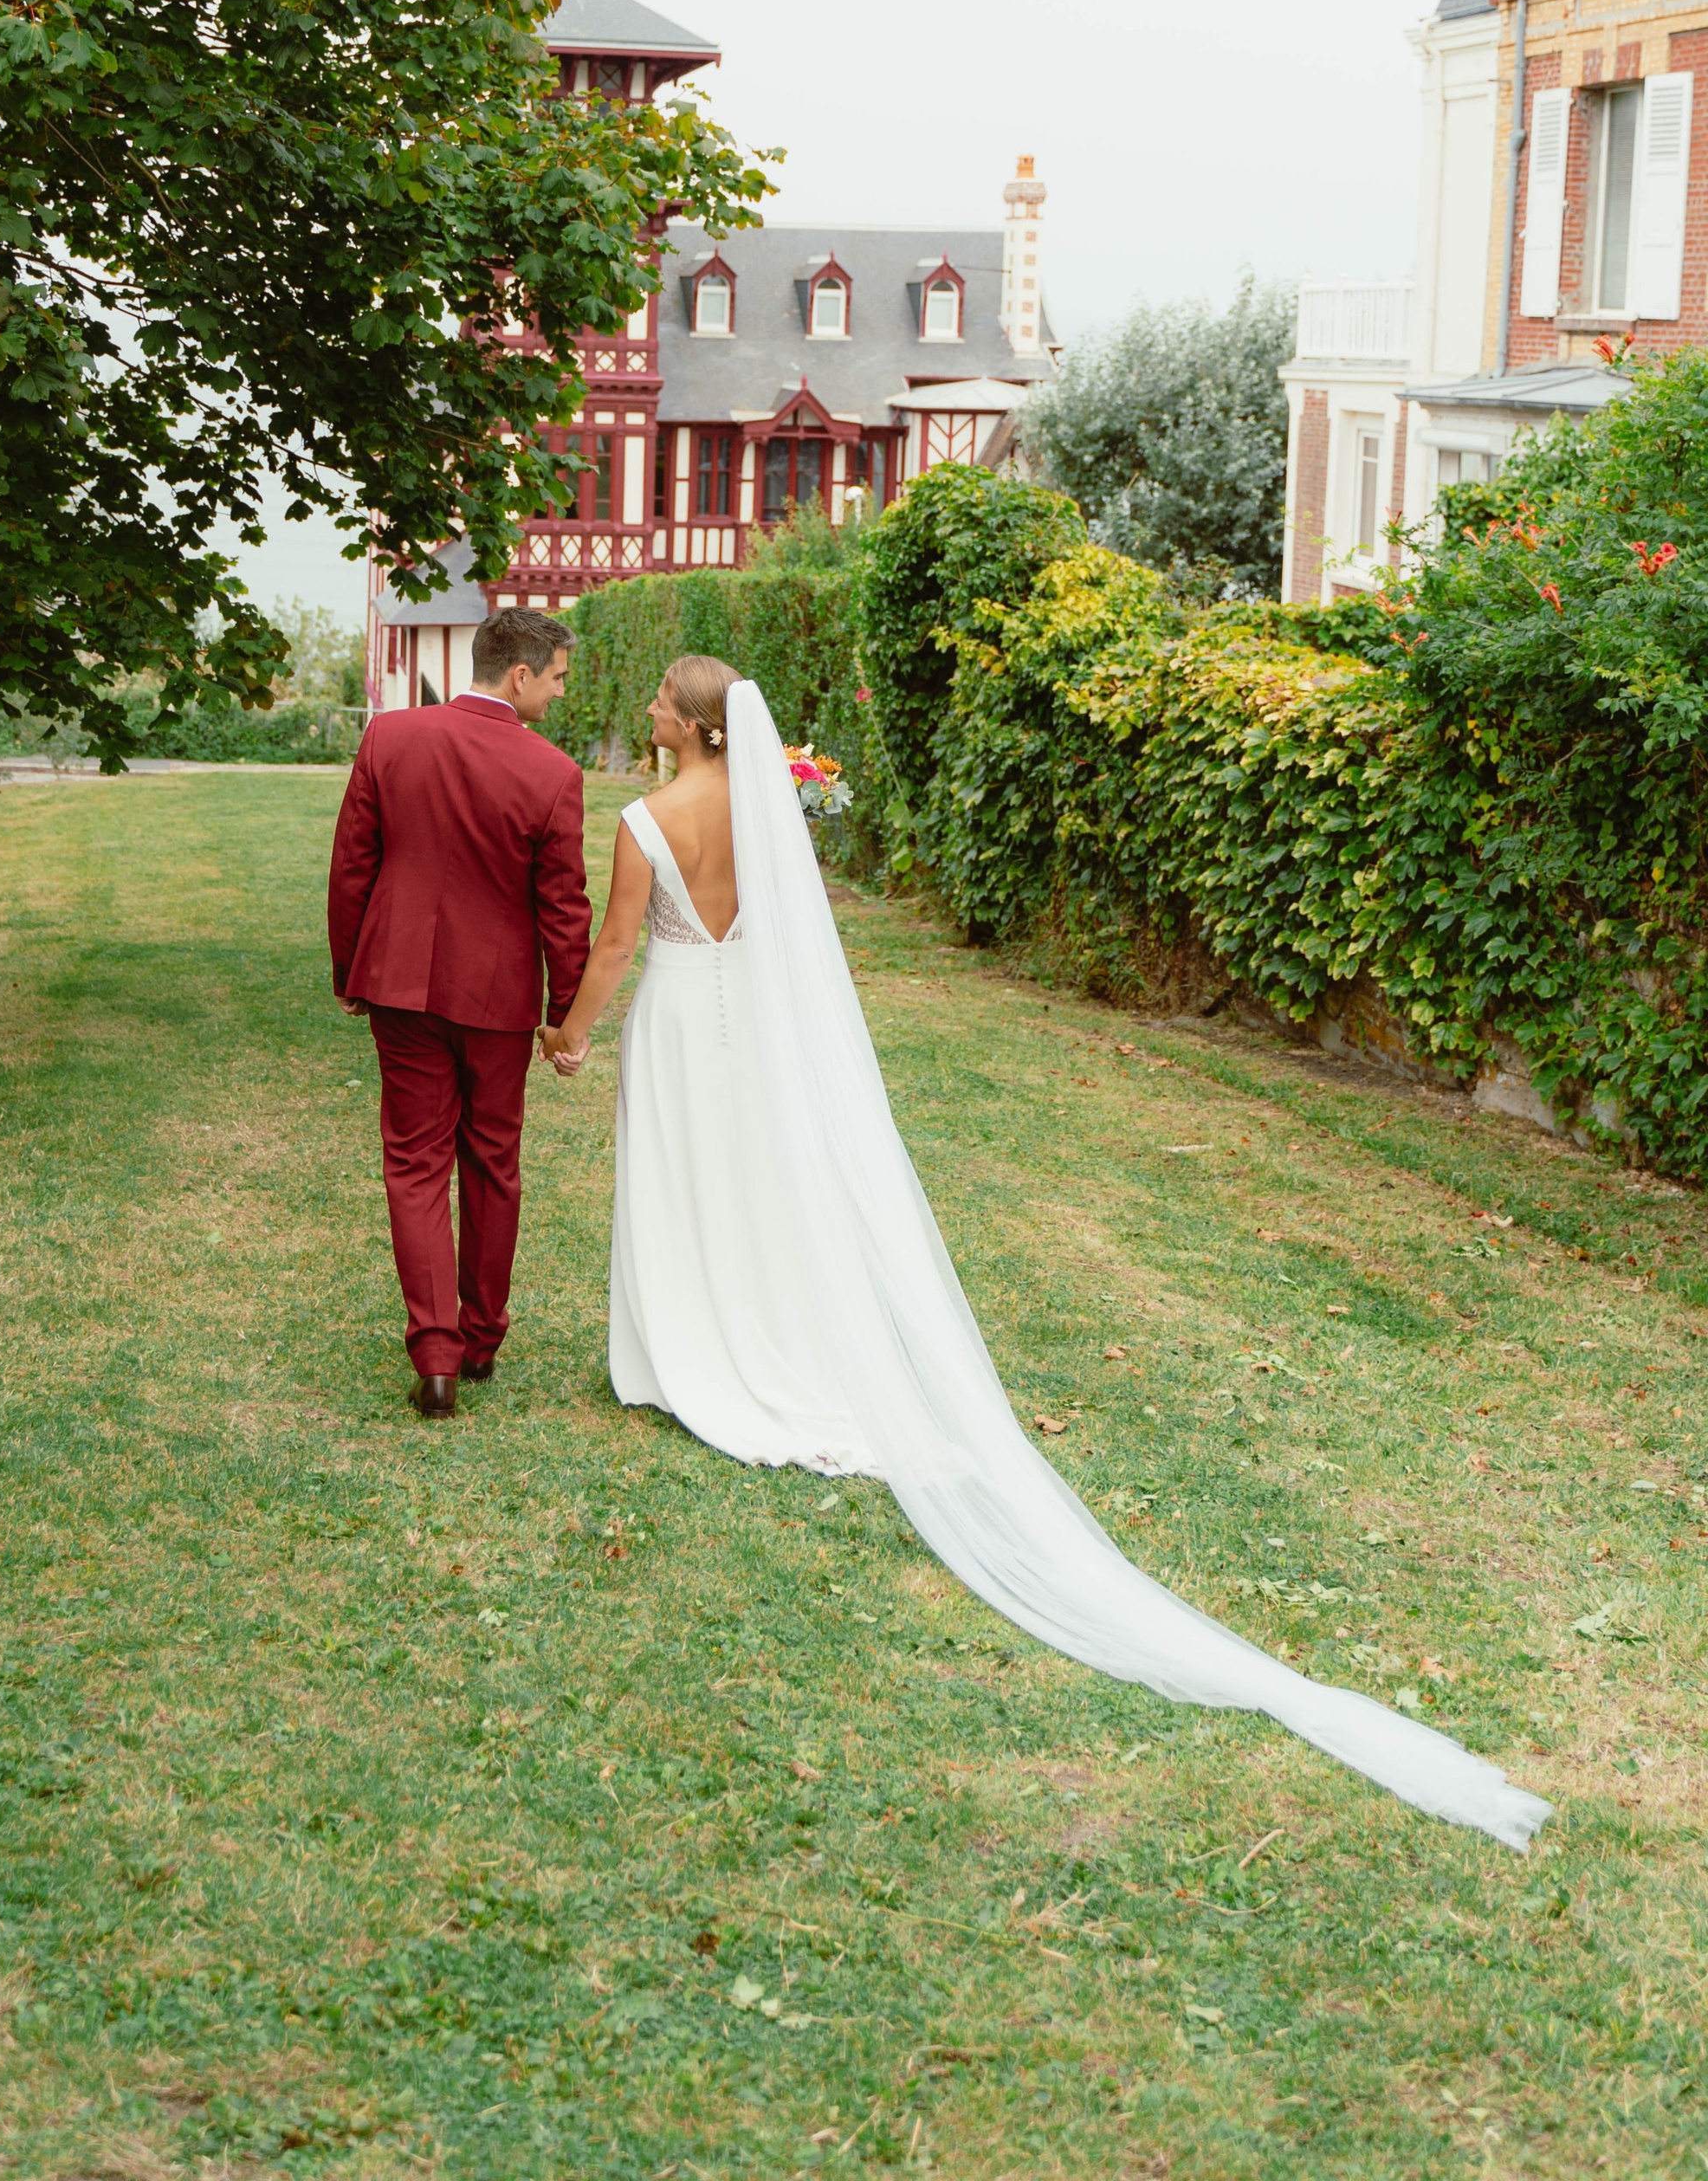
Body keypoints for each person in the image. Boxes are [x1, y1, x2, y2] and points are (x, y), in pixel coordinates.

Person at [545, 655, 1550, 1854]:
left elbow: (615, 948)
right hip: (750, 1030)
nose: (648, 712)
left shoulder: (644, 820)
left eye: (660, 701)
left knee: (685, 1179)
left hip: (674, 1017)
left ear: (692, 728)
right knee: (755, 1189)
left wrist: (567, 1037)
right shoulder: (763, 812)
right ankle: (751, 1338)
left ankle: (690, 1355)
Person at [327, 608, 590, 1418]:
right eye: (555, 678)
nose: (557, 693)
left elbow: (351, 868)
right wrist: (563, 1013)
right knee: (492, 1163)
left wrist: (351, 970)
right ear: (520, 674)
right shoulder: (552, 773)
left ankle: (435, 1358)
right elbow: (564, 911)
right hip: (498, 999)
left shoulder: (388, 739)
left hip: (400, 983)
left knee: (413, 1163)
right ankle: (477, 1339)